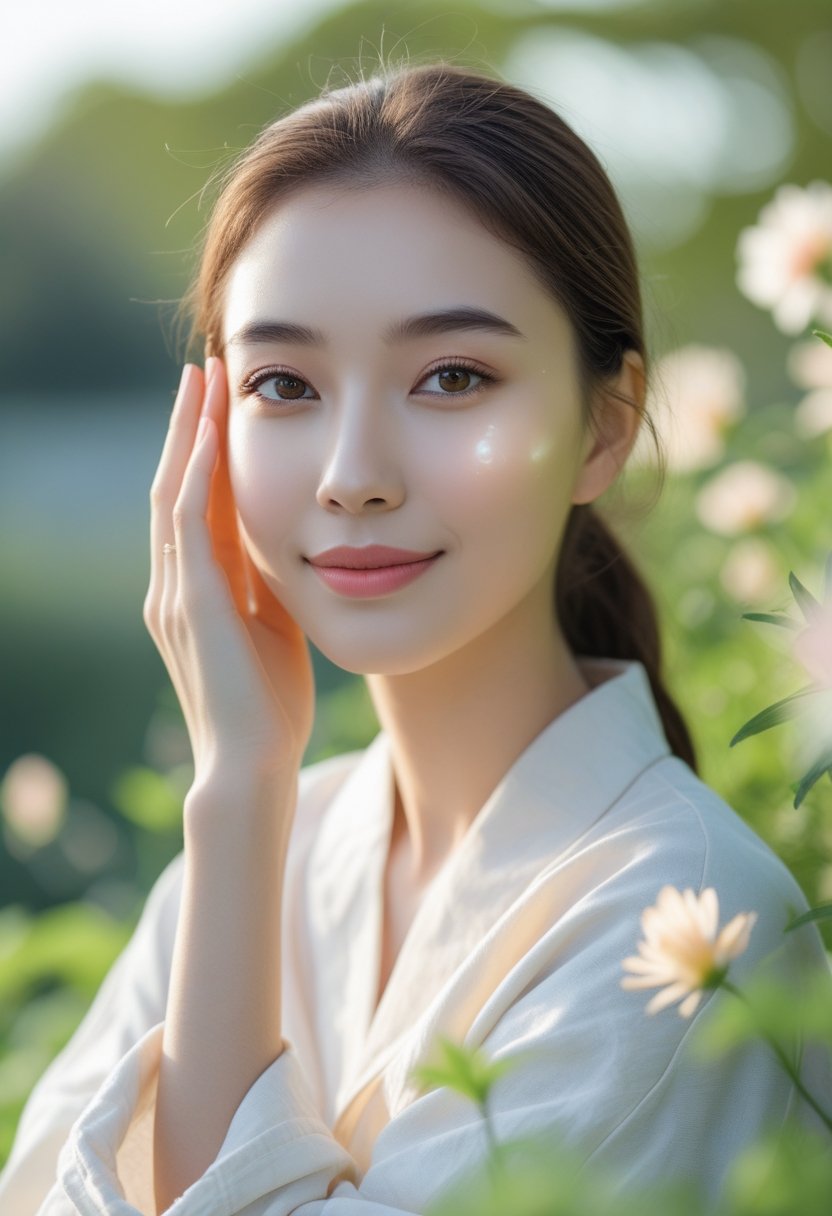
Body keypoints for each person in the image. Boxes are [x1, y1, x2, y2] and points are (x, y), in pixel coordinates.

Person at [1, 59, 830, 1216]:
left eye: (451, 376)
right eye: (284, 385)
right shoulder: (263, 850)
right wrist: (239, 801)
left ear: (604, 426)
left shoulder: (687, 929)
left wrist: (240, 804)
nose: (353, 478)